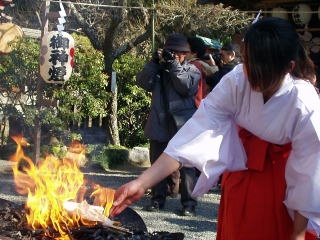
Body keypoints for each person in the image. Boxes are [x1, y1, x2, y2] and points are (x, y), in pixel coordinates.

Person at [111, 17, 320, 240]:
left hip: (284, 186)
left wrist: (296, 235)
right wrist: (142, 182)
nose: (252, 78)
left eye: (263, 71)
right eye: (249, 64)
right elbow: (197, 130)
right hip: (240, 175)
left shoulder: (303, 101)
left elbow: (309, 177)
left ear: (289, 67)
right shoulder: (238, 79)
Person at [136, 33, 201, 216]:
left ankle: (189, 204)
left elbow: (186, 87)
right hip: (159, 121)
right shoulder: (159, 70)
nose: (176, 56)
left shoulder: (192, 70)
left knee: (188, 166)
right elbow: (142, 82)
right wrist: (153, 63)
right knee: (157, 162)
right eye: (172, 52)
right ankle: (157, 199)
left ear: (186, 54)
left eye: (180, 53)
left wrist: (173, 66)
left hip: (183, 124)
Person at [186, 36, 219, 107]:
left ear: (194, 53)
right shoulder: (200, 64)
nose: (183, 52)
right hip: (199, 104)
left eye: (186, 50)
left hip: (193, 105)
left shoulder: (194, 65)